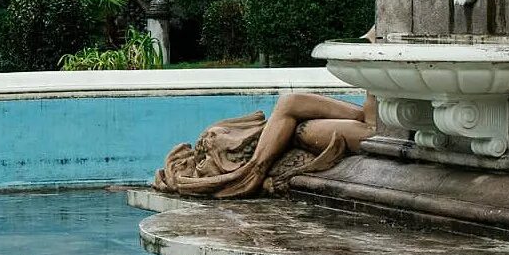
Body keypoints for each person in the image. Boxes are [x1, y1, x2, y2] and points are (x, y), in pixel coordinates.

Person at [153, 93, 376, 199]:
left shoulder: (292, 127)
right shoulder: (301, 131)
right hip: (378, 132)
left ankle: (254, 168)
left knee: (290, 106)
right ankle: (254, 169)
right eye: (207, 143)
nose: (213, 134)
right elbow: (361, 118)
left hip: (380, 124)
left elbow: (358, 114)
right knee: (295, 115)